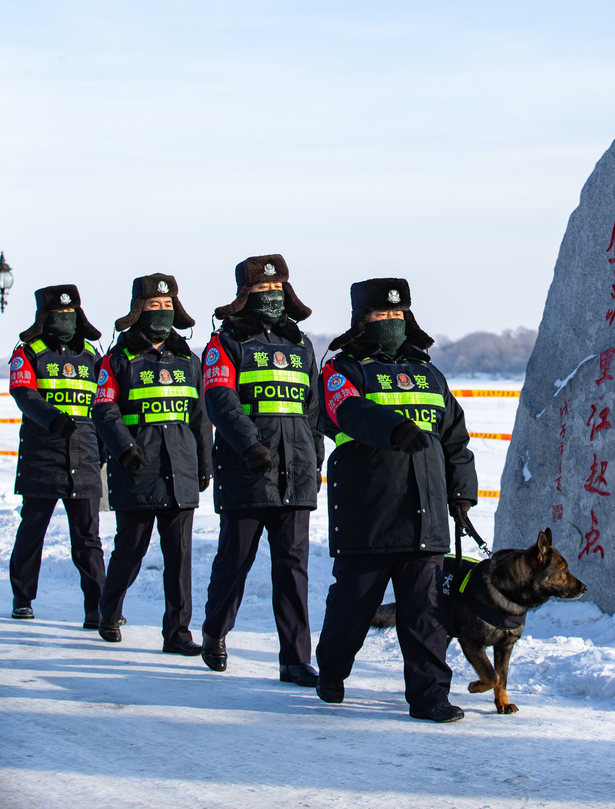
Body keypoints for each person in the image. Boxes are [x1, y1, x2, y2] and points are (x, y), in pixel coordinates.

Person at [315, 277, 478, 723]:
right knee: (353, 606)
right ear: (360, 320)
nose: (390, 321)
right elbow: (345, 410)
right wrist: (393, 429)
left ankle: (430, 697)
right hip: (367, 513)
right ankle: (331, 668)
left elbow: (455, 440)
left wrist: (461, 492)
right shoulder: (341, 370)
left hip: (426, 515)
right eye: (380, 314)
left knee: (426, 614)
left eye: (397, 313)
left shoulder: (429, 374)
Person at [200, 254, 322, 685]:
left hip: (296, 475)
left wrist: (315, 460)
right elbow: (220, 399)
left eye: (277, 289)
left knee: (293, 570)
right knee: (235, 561)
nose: (271, 297)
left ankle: (295, 659)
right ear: (243, 295)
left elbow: (313, 411)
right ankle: (214, 633)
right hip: (247, 472)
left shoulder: (300, 343)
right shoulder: (225, 343)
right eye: (261, 290)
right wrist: (249, 444)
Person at [92, 274, 212, 654]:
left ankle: (177, 634)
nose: (161, 312)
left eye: (167, 306)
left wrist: (205, 462)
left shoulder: (189, 361)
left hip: (181, 472)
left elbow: (200, 417)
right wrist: (124, 448)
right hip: (137, 470)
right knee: (130, 551)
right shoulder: (117, 360)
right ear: (136, 310)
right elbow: (104, 408)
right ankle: (108, 613)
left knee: (179, 561)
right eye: (152, 305)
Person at [8, 285, 105, 626]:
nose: (65, 319)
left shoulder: (93, 355)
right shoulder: (28, 353)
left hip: (86, 455)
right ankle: (23, 597)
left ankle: (97, 607)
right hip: (42, 456)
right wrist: (53, 420)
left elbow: (105, 404)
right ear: (44, 317)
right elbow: (23, 392)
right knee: (33, 530)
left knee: (88, 537)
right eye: (58, 314)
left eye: (70, 313)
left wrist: (104, 447)